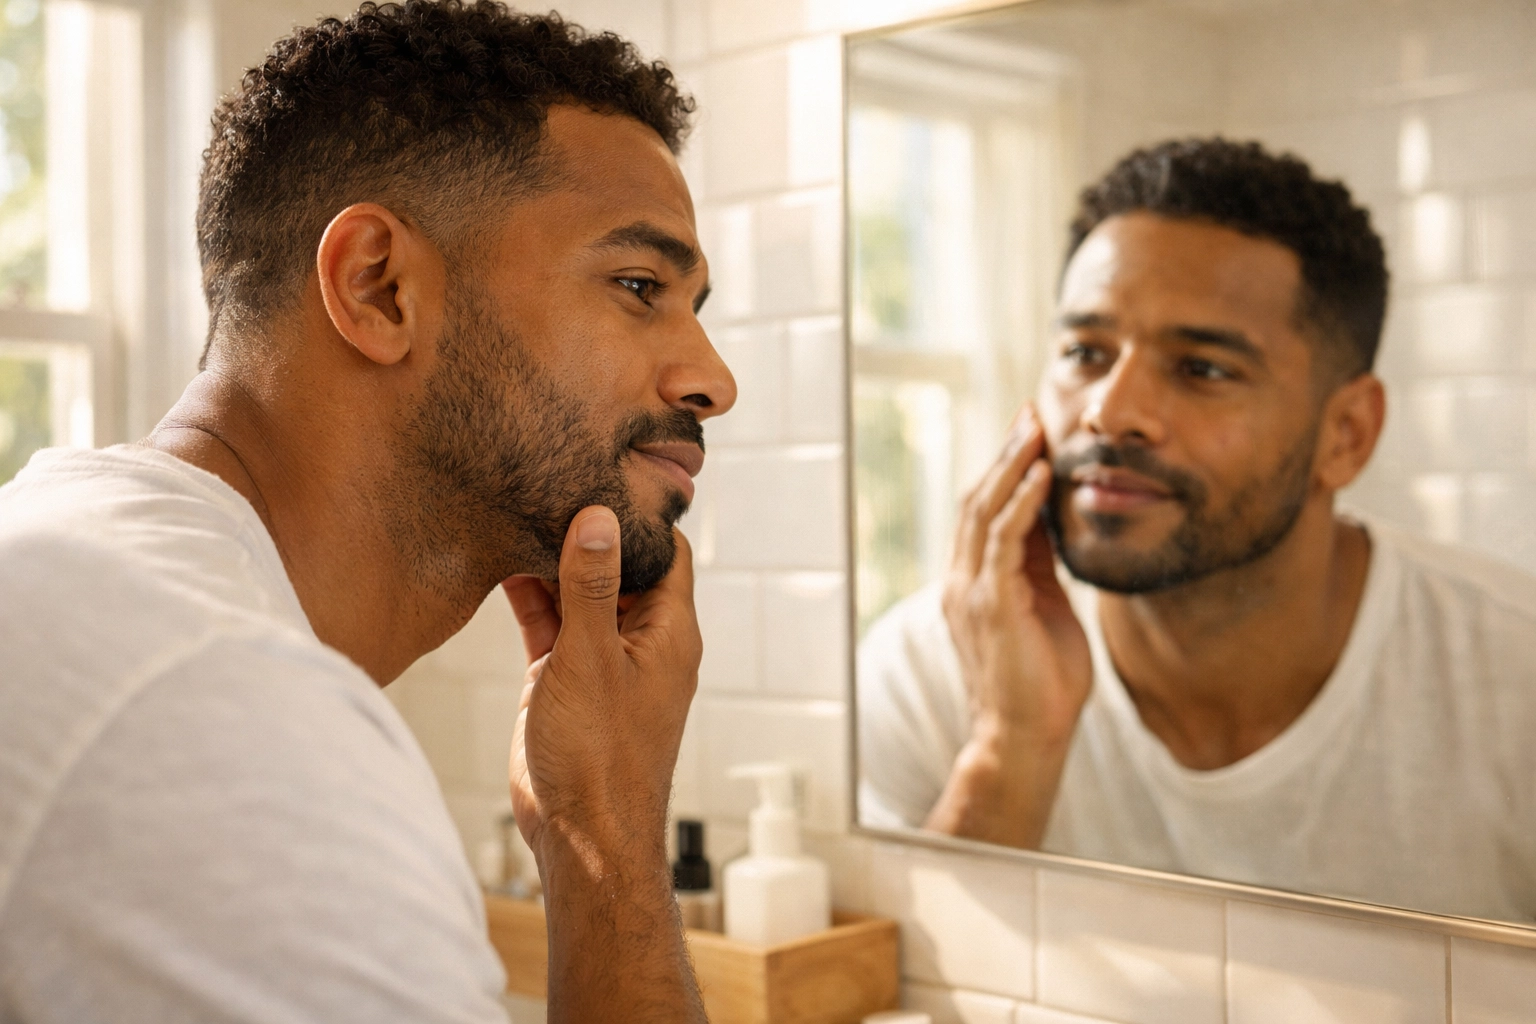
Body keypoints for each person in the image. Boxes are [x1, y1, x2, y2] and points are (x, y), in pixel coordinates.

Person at [0, 3, 734, 1021]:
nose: (714, 379)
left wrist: (596, 818)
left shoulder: (88, 560)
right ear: (378, 286)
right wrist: (610, 835)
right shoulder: (217, 718)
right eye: (639, 283)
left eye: (695, 308)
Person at [857, 138, 1536, 922]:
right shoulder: (931, 669)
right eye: (1085, 352)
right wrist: (1010, 749)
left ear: (1345, 433)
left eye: (1202, 369)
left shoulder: (1513, 676)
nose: (1111, 412)